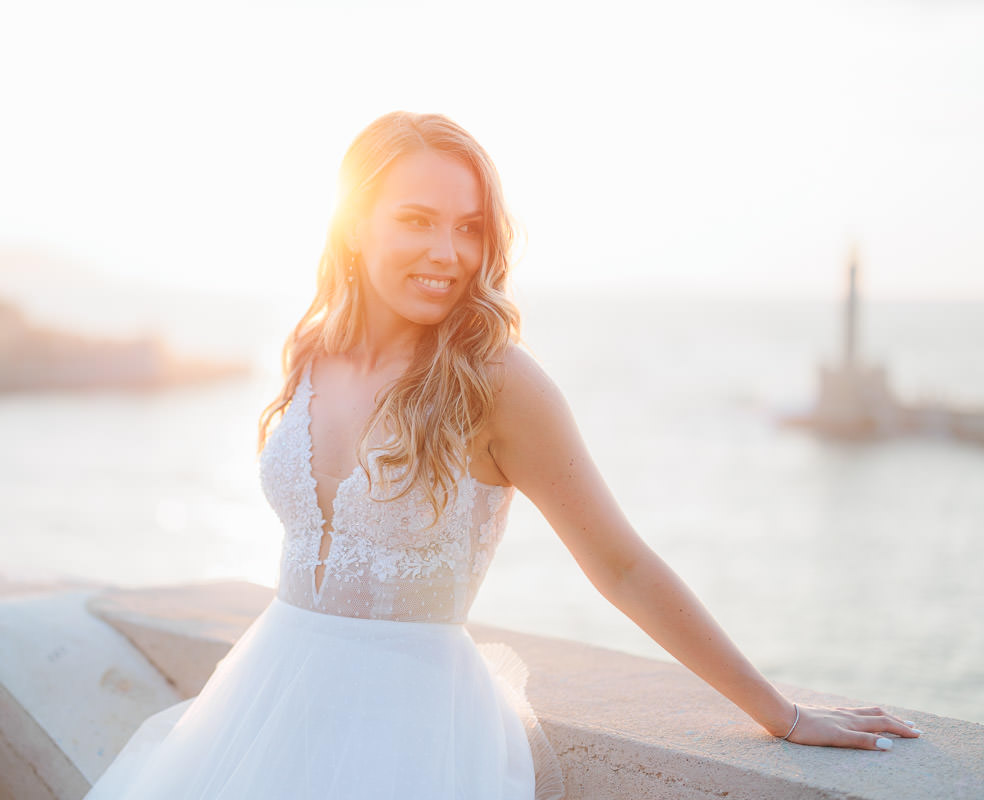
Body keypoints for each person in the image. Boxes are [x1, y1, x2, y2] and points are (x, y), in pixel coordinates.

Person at [83, 111, 920, 800]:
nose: (448, 254)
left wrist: (778, 712)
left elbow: (621, 565)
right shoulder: (310, 355)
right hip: (261, 709)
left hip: (409, 742)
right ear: (353, 225)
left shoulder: (496, 382)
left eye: (470, 228)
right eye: (416, 220)